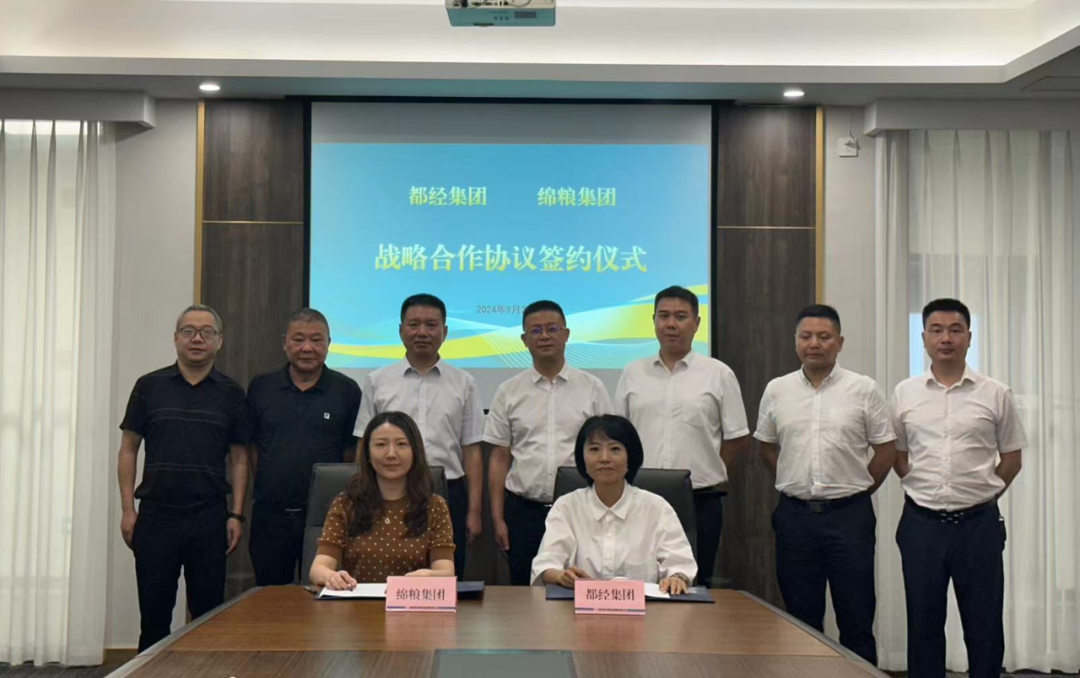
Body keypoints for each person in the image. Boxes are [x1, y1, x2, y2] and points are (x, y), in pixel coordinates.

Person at [755, 304, 896, 665]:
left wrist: (859, 489)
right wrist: (793, 478)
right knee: (800, 622)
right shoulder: (777, 389)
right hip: (795, 517)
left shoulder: (863, 389)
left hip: (849, 517)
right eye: (806, 336)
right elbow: (768, 447)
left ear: (840, 342)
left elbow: (886, 450)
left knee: (856, 617)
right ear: (796, 341)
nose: (814, 344)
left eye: (824, 336)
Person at [891, 298, 1025, 678]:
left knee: (984, 628)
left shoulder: (995, 393)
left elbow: (1011, 458)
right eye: (937, 330)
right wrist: (927, 488)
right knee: (923, 626)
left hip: (978, 527)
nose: (946, 338)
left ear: (969, 336)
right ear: (924, 338)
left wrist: (980, 494)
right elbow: (897, 454)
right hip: (921, 526)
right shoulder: (905, 393)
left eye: (955, 330)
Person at [117, 304, 249, 651]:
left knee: (208, 617)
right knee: (154, 618)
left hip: (209, 517)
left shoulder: (232, 393)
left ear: (219, 341)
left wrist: (235, 514)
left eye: (207, 332)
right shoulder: (149, 386)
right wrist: (128, 509)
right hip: (156, 516)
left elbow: (239, 459)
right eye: (188, 331)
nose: (197, 339)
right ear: (176, 338)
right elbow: (128, 449)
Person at [614, 285, 749, 587]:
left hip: (699, 499)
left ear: (696, 323)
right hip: (640, 496)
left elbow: (737, 436)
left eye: (680, 316)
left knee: (694, 582)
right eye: (663, 316)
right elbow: (619, 434)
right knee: (639, 578)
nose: (671, 324)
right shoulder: (633, 372)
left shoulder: (718, 373)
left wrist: (711, 469)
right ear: (653, 321)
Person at [354, 294, 484, 578]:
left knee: (446, 578)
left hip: (448, 491)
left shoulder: (464, 383)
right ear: (401, 330)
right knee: (388, 572)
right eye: (414, 325)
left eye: (431, 325)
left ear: (444, 331)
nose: (422, 332)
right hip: (389, 492)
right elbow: (364, 444)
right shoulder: (377, 381)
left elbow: (472, 450)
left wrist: (474, 511)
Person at [485, 300, 613, 585]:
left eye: (552, 329)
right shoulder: (508, 391)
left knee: (579, 588)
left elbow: (608, 451)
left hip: (581, 510)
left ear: (566, 334)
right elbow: (499, 457)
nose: (544, 336)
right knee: (525, 590)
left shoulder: (592, 388)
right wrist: (498, 517)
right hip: (524, 512)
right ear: (524, 340)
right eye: (535, 331)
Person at [246, 308, 362, 585]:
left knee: (325, 593)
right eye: (298, 339)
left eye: (316, 340)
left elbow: (350, 453)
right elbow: (253, 448)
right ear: (284, 342)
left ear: (329, 343)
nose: (307, 348)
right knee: (271, 596)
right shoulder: (262, 387)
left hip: (328, 517)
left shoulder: (347, 390)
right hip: (271, 516)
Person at [532, 415, 697, 592]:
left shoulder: (657, 508)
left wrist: (677, 578)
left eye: (615, 449)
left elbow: (680, 564)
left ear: (630, 457)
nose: (604, 458)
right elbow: (546, 564)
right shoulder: (566, 507)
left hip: (645, 607)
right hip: (576, 606)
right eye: (594, 449)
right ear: (582, 458)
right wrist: (559, 576)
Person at [310, 411, 455, 588]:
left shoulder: (434, 506)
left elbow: (446, 572)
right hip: (356, 602)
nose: (391, 454)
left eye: (401, 444)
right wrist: (332, 577)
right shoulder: (346, 503)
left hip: (411, 602)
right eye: (381, 445)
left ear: (415, 452)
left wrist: (429, 577)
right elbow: (318, 569)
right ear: (368, 454)